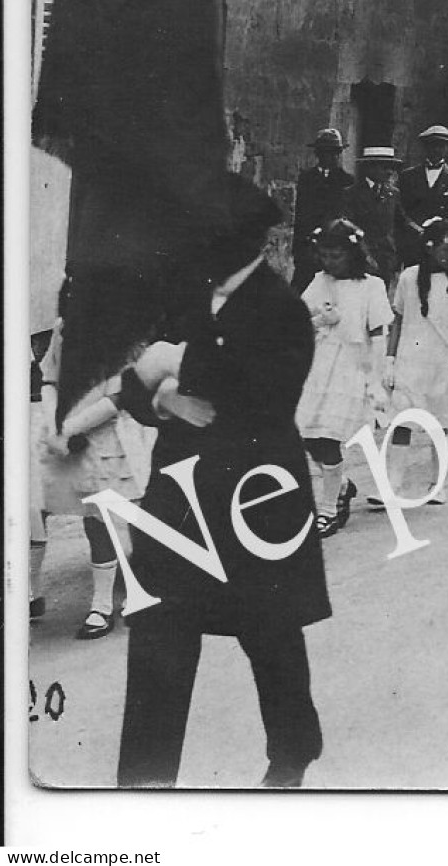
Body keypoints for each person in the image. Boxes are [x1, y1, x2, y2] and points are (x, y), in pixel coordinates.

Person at [114, 173, 328, 788]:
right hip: (177, 498)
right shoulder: (186, 294)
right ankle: (145, 786)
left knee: (270, 633)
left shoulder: (282, 310)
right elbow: (129, 382)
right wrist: (164, 400)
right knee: (159, 627)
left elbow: (267, 403)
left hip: (254, 497)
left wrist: (177, 379)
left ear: (241, 238)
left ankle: (293, 750)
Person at [35, 274, 149, 640]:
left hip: (106, 434)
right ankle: (28, 593)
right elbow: (49, 378)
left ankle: (103, 605)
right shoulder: (63, 330)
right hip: (65, 432)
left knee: (108, 519)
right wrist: (56, 422)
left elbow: (118, 397)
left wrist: (74, 427)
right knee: (56, 509)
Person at [294, 219, 391, 538]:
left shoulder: (371, 286)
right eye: (324, 255)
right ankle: (343, 486)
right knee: (308, 436)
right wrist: (320, 318)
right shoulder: (319, 281)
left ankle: (327, 510)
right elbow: (297, 322)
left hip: (352, 368)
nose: (329, 262)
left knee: (329, 437)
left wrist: (376, 380)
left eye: (336, 256)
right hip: (318, 366)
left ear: (352, 253)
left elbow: (378, 334)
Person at [381, 218, 448, 501]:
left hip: (441, 362)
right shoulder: (409, 278)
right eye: (447, 250)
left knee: (439, 422)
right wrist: (389, 358)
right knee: (402, 421)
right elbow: (398, 320)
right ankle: (392, 484)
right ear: (429, 248)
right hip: (411, 361)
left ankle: (437, 484)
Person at [291, 129, 355, 294]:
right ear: (318, 154)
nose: (332, 157)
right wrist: (299, 247)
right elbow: (300, 215)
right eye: (327, 152)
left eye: (336, 153)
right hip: (307, 247)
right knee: (303, 289)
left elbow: (346, 215)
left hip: (334, 246)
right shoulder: (306, 179)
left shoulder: (346, 180)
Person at [397, 125, 448, 267]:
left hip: (442, 244)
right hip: (414, 242)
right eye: (432, 145)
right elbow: (401, 211)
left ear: (447, 148)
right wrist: (416, 229)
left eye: (441, 146)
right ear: (425, 148)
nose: (437, 150)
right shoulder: (408, 176)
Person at [342, 146, 405, 288]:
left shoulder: (393, 194)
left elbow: (401, 223)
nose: (389, 172)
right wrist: (365, 255)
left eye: (392, 168)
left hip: (386, 260)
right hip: (360, 259)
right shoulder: (351, 194)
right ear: (369, 168)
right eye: (384, 167)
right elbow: (347, 227)